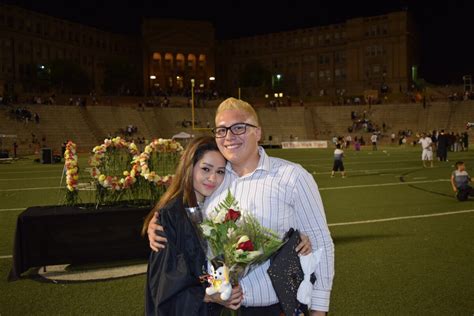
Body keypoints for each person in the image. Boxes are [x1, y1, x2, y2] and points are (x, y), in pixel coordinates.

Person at [148, 98, 334, 315]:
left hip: (284, 307)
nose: (229, 137)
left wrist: (319, 311)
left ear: (258, 132)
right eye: (221, 130)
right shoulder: (214, 183)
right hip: (231, 309)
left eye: (238, 128)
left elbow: (322, 244)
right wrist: (159, 222)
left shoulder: (292, 177)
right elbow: (204, 254)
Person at [143, 136, 242, 315]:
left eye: (220, 171)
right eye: (206, 169)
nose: (213, 178)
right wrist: (209, 296)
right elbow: (165, 288)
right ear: (190, 167)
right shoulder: (171, 217)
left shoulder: (214, 211)